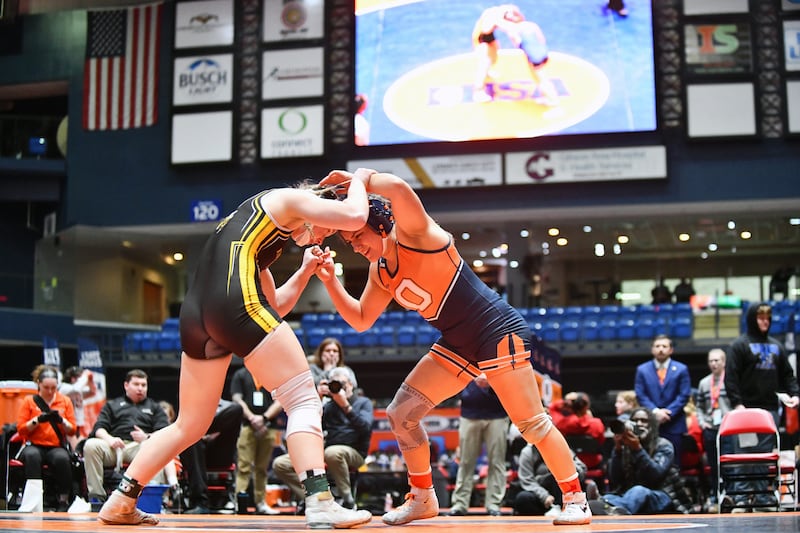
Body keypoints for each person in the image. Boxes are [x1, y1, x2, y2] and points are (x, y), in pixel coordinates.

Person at [315, 168, 591, 526]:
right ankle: (423, 498)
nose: (353, 245)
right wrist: (331, 282)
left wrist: (358, 178)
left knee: (531, 423)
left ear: (379, 224)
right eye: (348, 242)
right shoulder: (380, 271)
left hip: (495, 330)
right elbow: (362, 318)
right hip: (459, 343)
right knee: (401, 414)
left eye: (355, 235)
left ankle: (576, 499)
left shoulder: (418, 234)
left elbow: (397, 187)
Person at [96, 175, 374, 529]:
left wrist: (304, 273)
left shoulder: (256, 237)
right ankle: (320, 501)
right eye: (325, 230)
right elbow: (353, 215)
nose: (323, 236)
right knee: (304, 399)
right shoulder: (286, 199)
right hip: (233, 303)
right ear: (316, 203)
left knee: (190, 424)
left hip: (198, 314)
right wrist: (362, 179)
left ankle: (120, 500)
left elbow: (272, 308)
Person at [724, 302, 800, 510]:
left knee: (766, 456)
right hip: (745, 411)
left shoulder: (777, 346)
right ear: (751, 319)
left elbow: (787, 375)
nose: (765, 321)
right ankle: (741, 498)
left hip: (769, 412)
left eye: (767, 318)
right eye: (760, 317)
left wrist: (795, 395)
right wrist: (737, 404)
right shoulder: (739, 345)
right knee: (744, 456)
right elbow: (731, 377)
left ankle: (763, 498)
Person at [272, 366, 373, 510]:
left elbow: (365, 427)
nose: (338, 387)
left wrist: (345, 406)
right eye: (334, 384)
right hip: (327, 451)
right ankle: (315, 498)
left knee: (332, 452)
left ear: (351, 384)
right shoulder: (329, 406)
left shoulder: (363, 402)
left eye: (342, 384)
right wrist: (317, 397)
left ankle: (347, 499)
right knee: (280, 464)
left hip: (354, 452)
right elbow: (310, 425)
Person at [83, 369, 171, 504]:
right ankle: (96, 498)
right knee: (91, 445)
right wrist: (110, 439)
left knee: (156, 447)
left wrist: (146, 437)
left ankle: (153, 499)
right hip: (115, 447)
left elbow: (164, 433)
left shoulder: (155, 407)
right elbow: (99, 429)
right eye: (136, 384)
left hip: (140, 447)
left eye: (143, 385)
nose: (140, 388)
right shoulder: (112, 405)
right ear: (126, 385)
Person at [601, 407, 692, 515]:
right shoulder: (626, 445)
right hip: (631, 496)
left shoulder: (663, 445)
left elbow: (655, 475)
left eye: (644, 421)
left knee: (638, 491)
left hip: (662, 495)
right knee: (608, 496)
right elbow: (615, 480)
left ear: (652, 425)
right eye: (635, 420)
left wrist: (638, 449)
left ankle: (610, 507)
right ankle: (613, 507)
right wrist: (617, 450)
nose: (639, 424)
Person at [16, 364, 77, 511]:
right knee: (32, 456)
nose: (50, 391)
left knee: (62, 458)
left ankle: (64, 500)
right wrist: (37, 421)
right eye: (46, 387)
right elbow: (21, 429)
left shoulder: (65, 401)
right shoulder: (29, 401)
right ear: (39, 384)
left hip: (55, 446)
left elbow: (72, 430)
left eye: (53, 388)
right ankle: (34, 499)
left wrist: (62, 421)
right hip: (34, 444)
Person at [448, 373, 510, 517]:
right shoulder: (465, 352)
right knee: (465, 462)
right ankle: (459, 504)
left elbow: (510, 380)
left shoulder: (501, 352)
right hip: (469, 414)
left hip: (498, 415)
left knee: (497, 461)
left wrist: (493, 382)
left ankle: (494, 504)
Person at [230, 364, 282, 515]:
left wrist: (264, 418)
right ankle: (239, 502)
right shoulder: (241, 374)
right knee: (244, 466)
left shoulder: (271, 373)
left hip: (268, 427)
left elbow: (280, 400)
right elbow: (236, 398)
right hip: (247, 425)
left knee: (262, 468)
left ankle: (260, 503)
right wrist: (252, 418)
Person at [634, 334, 691, 466]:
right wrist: (655, 412)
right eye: (657, 346)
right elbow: (640, 394)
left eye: (664, 346)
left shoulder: (681, 369)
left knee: (675, 463)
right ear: (652, 349)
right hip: (649, 424)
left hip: (674, 423)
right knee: (650, 462)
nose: (661, 349)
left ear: (671, 350)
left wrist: (668, 413)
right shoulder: (642, 370)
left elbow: (684, 395)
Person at [181, 398, 243, 514]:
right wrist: (198, 435)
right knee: (191, 438)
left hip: (219, 451)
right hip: (195, 450)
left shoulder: (226, 406)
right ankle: (200, 502)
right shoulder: (190, 404)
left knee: (237, 409)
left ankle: (200, 429)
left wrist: (203, 431)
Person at [496, 10, 560, 107]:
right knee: (538, 77)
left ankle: (554, 101)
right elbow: (541, 39)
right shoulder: (532, 25)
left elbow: (519, 45)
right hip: (543, 53)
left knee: (542, 79)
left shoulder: (513, 30)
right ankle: (546, 97)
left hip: (534, 56)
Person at [695, 347, 732, 509]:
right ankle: (716, 494)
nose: (714, 363)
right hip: (710, 428)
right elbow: (699, 407)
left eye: (717, 360)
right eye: (711, 360)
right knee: (713, 463)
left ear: (724, 362)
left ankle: (730, 493)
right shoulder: (704, 383)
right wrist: (702, 422)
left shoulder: (731, 380)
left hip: (728, 428)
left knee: (729, 463)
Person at [511, 443, 586, 516]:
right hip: (540, 494)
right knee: (523, 498)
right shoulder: (528, 452)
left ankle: (565, 509)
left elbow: (582, 471)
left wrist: (564, 462)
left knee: (559, 476)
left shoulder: (562, 446)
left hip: (564, 493)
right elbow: (527, 481)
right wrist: (544, 496)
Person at [470, 4, 523, 103]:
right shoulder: (496, 17)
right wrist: (510, 28)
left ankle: (488, 71)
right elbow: (486, 29)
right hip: (481, 38)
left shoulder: (504, 10)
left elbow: (516, 15)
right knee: (484, 63)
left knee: (494, 56)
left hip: (488, 36)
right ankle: (478, 92)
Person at [58, 365, 97, 449]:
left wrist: (90, 379)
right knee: (76, 449)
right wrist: (85, 376)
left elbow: (93, 392)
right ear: (73, 379)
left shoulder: (78, 391)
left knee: (84, 447)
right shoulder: (64, 388)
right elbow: (76, 388)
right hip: (67, 425)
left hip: (79, 425)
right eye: (80, 377)